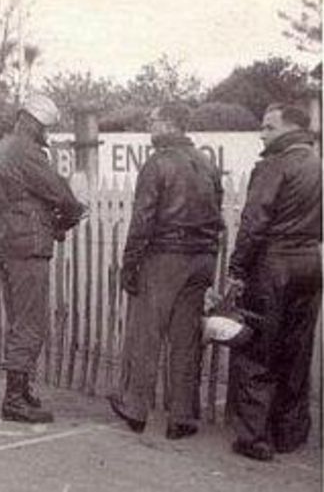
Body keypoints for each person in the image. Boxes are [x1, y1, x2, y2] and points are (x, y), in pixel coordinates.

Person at [108, 102, 224, 439]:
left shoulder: (157, 164)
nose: (150, 125)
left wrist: (130, 263)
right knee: (186, 338)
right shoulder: (207, 164)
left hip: (165, 256)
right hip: (201, 256)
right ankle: (182, 416)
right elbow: (217, 215)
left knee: (147, 333)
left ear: (169, 124)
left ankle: (135, 407)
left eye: (153, 120)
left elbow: (142, 219)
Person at [226, 104, 321, 462]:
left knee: (258, 349)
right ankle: (289, 434)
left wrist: (237, 268)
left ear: (289, 128)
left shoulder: (273, 165)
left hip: (273, 264)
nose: (262, 134)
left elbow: (254, 223)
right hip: (310, 263)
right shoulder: (318, 164)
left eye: (268, 127)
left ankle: (253, 437)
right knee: (297, 351)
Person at [0, 94, 87, 424]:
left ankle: (22, 389)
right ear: (36, 124)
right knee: (30, 323)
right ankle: (15, 399)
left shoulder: (3, 147)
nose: (47, 134)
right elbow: (62, 195)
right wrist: (67, 219)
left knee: (19, 320)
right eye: (46, 128)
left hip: (6, 243)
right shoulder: (26, 152)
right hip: (28, 245)